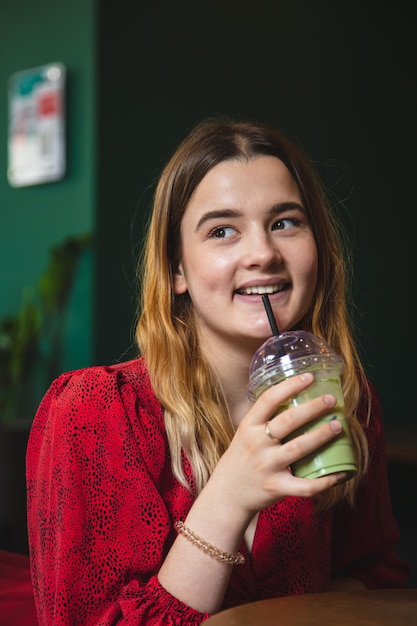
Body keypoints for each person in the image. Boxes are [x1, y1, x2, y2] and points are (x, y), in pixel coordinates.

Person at [26, 117, 410, 625]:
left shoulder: (345, 402)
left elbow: (374, 574)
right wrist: (229, 495)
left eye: (285, 222)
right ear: (176, 269)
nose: (263, 253)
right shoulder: (94, 412)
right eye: (222, 230)